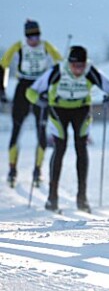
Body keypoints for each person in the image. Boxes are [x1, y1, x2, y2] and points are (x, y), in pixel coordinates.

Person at [26, 45, 109, 212]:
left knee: (81, 148)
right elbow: (31, 91)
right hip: (58, 109)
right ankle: (52, 198)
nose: (78, 70)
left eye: (81, 66)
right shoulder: (57, 70)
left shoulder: (90, 71)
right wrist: (39, 99)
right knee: (60, 148)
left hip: (81, 110)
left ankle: (82, 198)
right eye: (75, 66)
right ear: (68, 63)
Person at [0, 20, 63, 188]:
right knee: (16, 129)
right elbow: (3, 65)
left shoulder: (46, 46)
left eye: (37, 36)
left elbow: (60, 63)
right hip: (23, 87)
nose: (34, 40)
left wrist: (53, 83)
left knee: (41, 130)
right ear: (26, 37)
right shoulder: (18, 46)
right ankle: (12, 169)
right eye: (31, 37)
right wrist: (2, 89)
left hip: (40, 87)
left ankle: (38, 170)